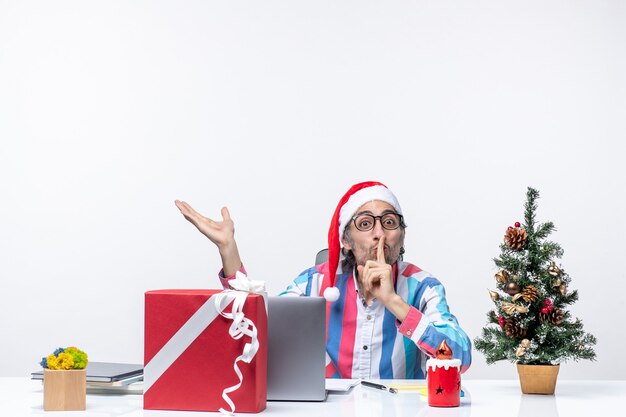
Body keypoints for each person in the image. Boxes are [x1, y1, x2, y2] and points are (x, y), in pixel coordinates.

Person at [175, 181, 471, 379]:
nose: (379, 233)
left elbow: (461, 355)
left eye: (389, 222)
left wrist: (393, 301)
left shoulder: (424, 287)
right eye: (365, 224)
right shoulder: (314, 285)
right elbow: (257, 329)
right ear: (346, 240)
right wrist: (229, 251)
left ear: (401, 234)